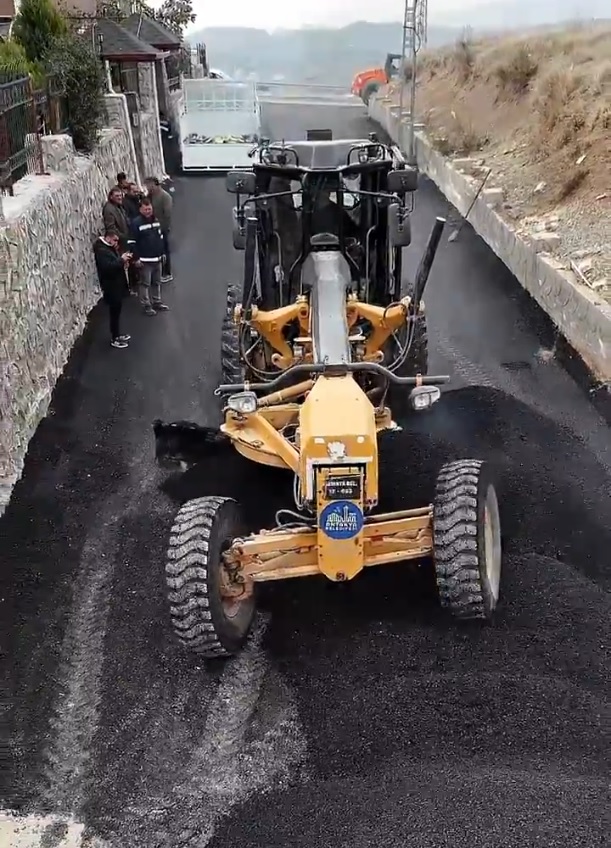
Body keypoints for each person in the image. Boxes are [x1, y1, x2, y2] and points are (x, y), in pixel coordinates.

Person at [128, 197, 169, 316]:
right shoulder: (136, 223)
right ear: (140, 209)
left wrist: (162, 253)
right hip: (144, 260)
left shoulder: (155, 220)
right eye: (146, 209)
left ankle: (157, 301)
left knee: (157, 282)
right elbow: (132, 242)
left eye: (149, 209)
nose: (148, 211)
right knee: (145, 284)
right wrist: (136, 259)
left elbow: (160, 238)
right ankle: (146, 305)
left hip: (157, 259)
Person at [93, 229, 132, 349]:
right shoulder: (101, 251)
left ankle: (117, 334)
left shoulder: (108, 248)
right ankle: (115, 338)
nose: (116, 242)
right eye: (115, 240)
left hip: (116, 284)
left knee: (117, 311)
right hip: (111, 285)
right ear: (108, 238)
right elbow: (108, 267)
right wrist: (121, 260)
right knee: (114, 312)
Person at [145, 176, 173, 282]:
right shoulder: (151, 195)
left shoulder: (165, 197)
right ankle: (158, 272)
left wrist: (163, 228)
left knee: (165, 250)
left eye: (149, 185)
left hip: (162, 228)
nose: (147, 187)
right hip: (153, 228)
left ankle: (167, 272)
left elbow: (167, 215)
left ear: (155, 184)